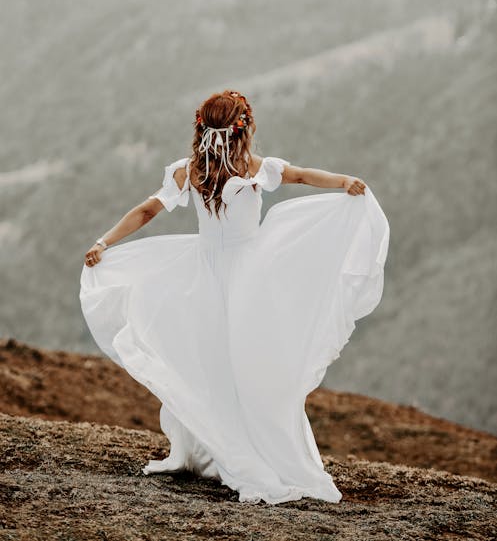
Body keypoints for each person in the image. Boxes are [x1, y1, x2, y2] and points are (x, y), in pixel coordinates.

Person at [79, 89, 390, 505]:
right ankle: (254, 451)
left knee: (210, 363)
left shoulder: (191, 172)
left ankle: (219, 447)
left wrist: (104, 241)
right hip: (249, 276)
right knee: (253, 366)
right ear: (246, 128)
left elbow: (147, 211)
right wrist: (342, 181)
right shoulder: (254, 168)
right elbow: (300, 175)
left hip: (204, 275)